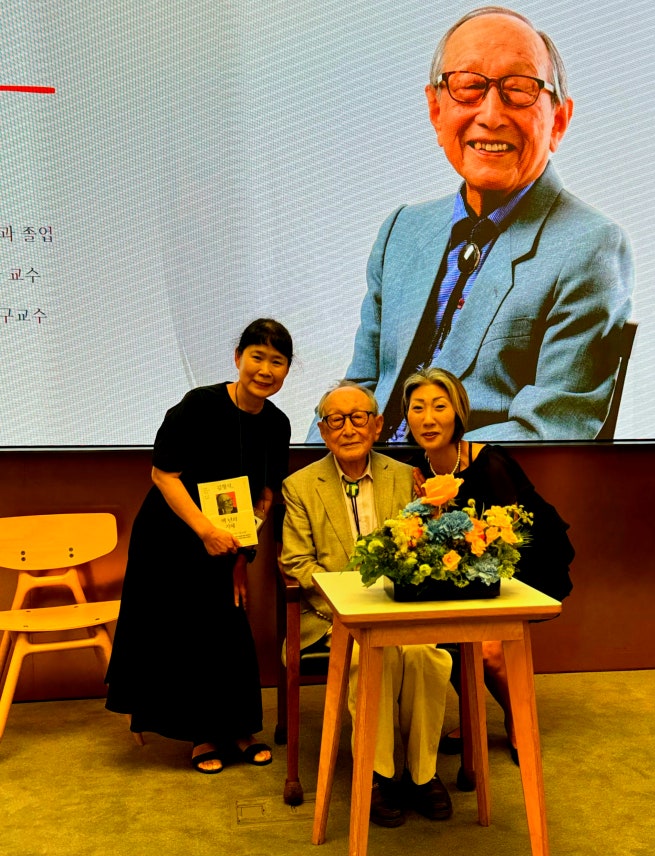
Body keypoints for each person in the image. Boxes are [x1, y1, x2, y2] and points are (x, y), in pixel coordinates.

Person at [317, 6, 634, 443]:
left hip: (470, 483)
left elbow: (551, 431)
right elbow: (359, 390)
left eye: (519, 90)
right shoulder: (401, 231)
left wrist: (418, 479)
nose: (491, 115)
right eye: (468, 87)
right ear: (436, 110)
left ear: (558, 121)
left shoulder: (589, 246)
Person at [105, 318, 293, 774]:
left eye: (277, 361)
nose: (265, 370)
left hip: (228, 541)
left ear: (287, 369)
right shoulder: (199, 405)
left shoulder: (277, 424)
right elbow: (163, 475)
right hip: (171, 536)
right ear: (238, 358)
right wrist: (205, 531)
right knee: (185, 632)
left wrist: (242, 552)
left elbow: (265, 495)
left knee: (230, 631)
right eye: (257, 357)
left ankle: (241, 728)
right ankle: (201, 736)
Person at [281, 381, 454, 826]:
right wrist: (350, 597)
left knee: (425, 655)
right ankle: (379, 774)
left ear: (376, 426)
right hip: (333, 617)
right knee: (372, 657)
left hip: (401, 610)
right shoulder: (300, 486)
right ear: (323, 431)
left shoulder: (405, 475)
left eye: (358, 418)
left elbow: (425, 546)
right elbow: (295, 562)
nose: (348, 428)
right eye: (336, 420)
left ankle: (422, 773)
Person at [402, 366, 574, 770]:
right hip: (458, 572)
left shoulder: (490, 462)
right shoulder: (413, 468)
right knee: (439, 635)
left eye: (439, 407)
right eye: (417, 408)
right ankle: (473, 717)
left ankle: (519, 721)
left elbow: (513, 538)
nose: (428, 419)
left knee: (489, 650)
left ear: (458, 412)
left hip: (520, 564)